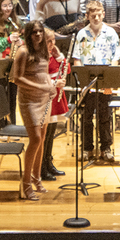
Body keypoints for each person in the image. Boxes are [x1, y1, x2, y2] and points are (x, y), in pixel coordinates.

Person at [71, 0, 120, 162]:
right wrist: (82, 83)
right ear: (87, 16)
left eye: (99, 15)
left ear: (103, 14)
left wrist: (110, 82)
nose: (96, 18)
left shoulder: (111, 33)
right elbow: (77, 58)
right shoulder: (81, 34)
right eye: (93, 15)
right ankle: (87, 148)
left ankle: (105, 148)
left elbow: (116, 58)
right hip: (88, 83)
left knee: (105, 116)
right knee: (86, 117)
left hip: (105, 82)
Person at [10, 20, 56, 200]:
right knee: (35, 138)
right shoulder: (23, 51)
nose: (38, 34)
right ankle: (26, 183)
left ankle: (37, 178)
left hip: (44, 98)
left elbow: (45, 72)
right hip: (29, 99)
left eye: (40, 31)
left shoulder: (43, 50)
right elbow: (17, 78)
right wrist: (41, 87)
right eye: (34, 32)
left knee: (42, 138)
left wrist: (50, 87)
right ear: (28, 34)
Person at [41, 28, 69, 181]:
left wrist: (60, 57)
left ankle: (48, 162)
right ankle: (41, 167)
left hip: (56, 98)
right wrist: (54, 83)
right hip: (45, 98)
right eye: (49, 41)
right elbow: (39, 79)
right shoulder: (39, 57)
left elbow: (67, 70)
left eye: (53, 40)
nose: (52, 44)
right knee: (45, 135)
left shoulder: (53, 55)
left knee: (51, 133)